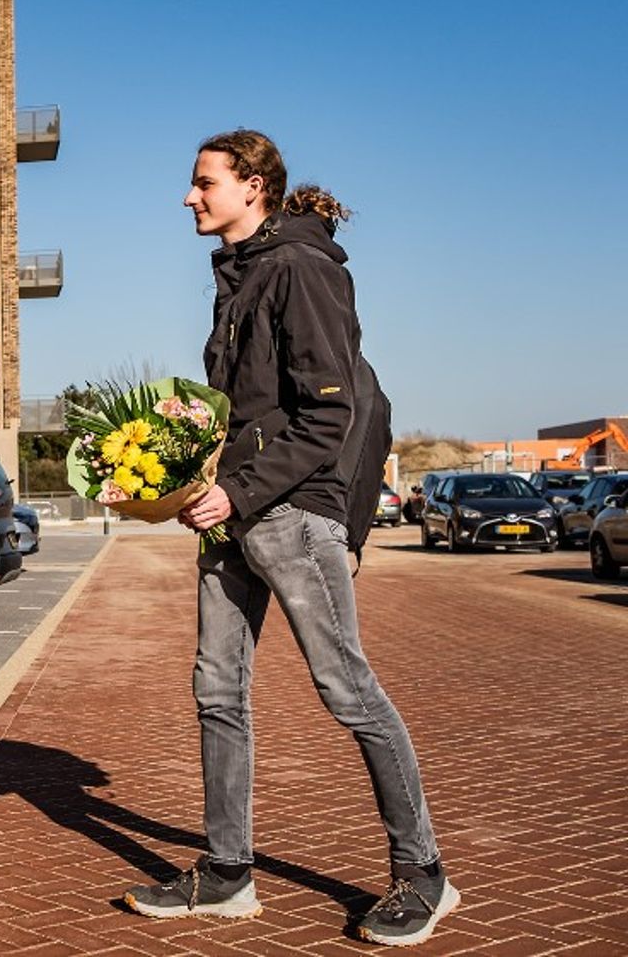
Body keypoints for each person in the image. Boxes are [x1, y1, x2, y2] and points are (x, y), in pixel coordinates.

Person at [118, 130, 456, 946]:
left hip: (292, 514)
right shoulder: (240, 277)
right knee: (216, 690)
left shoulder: (301, 268)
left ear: (254, 186)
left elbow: (329, 414)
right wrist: (175, 470)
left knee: (347, 689)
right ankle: (227, 872)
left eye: (204, 182)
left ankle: (424, 873)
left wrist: (236, 488)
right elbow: (248, 415)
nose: (189, 196)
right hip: (230, 519)